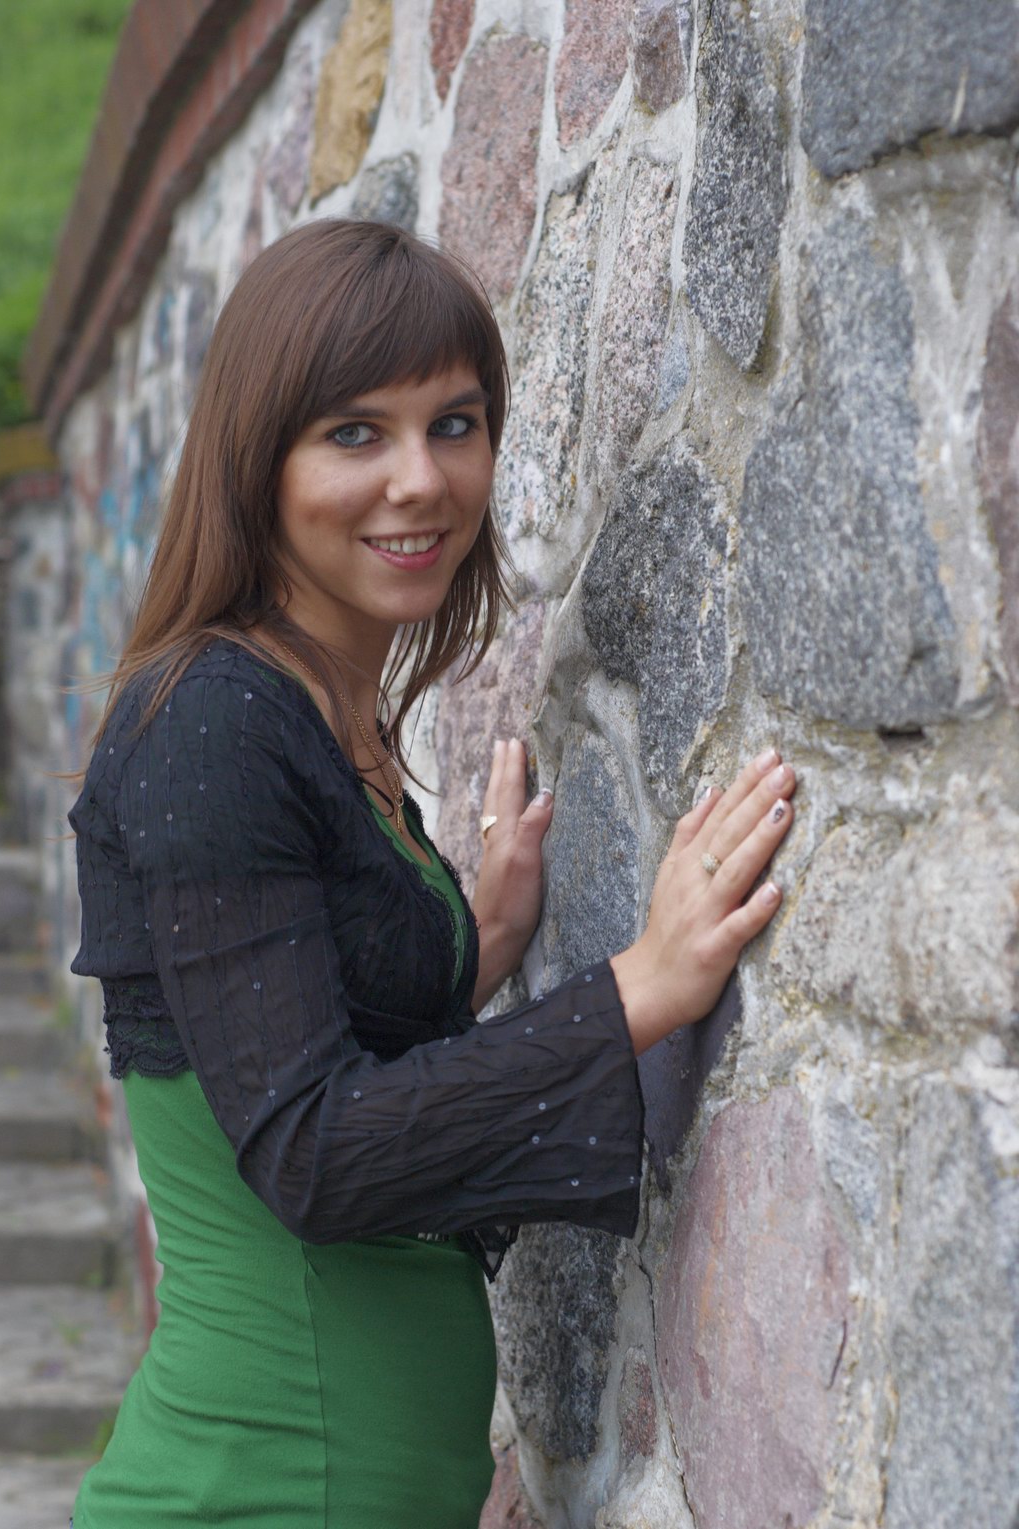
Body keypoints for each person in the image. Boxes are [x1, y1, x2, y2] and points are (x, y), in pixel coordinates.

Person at [67, 219, 796, 1529]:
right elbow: (312, 1150)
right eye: (356, 433)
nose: (421, 479)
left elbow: (285, 1020)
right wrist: (638, 988)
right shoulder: (214, 725)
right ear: (258, 459)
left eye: (454, 424)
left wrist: (471, 945)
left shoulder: (316, 716)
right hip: (261, 1493)